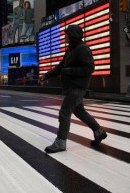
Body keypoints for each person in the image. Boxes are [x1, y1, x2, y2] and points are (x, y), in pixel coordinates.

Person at [38, 24, 107, 153]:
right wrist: (46, 76)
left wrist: (69, 71)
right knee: (80, 111)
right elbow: (60, 68)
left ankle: (60, 142)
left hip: (78, 86)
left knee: (65, 111)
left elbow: (89, 68)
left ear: (73, 35)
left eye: (67, 34)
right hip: (72, 86)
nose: (65, 36)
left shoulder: (83, 49)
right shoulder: (70, 50)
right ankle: (99, 132)